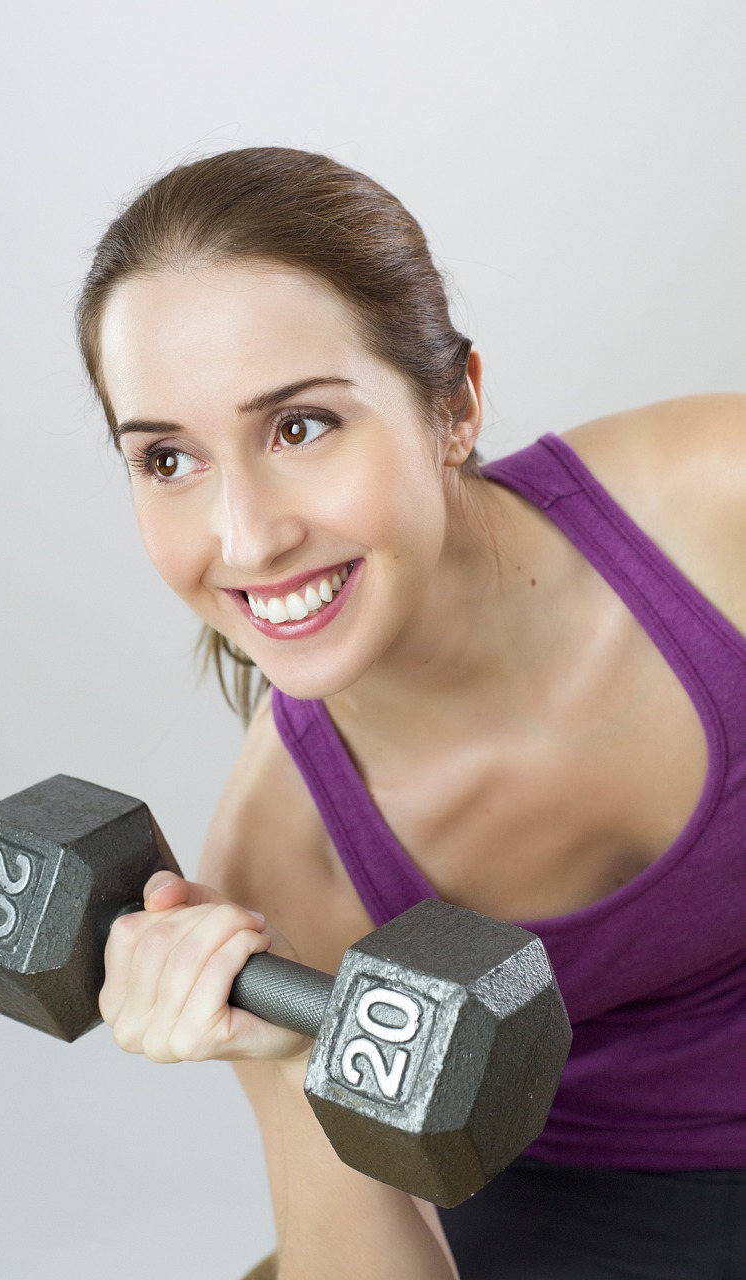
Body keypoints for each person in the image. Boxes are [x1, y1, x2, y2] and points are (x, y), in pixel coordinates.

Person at [80, 147, 746, 1279]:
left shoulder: (720, 504)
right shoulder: (275, 864)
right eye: (168, 457)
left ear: (454, 405)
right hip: (580, 1218)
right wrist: (294, 1057)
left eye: (298, 426)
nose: (245, 539)